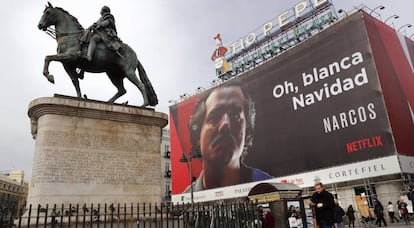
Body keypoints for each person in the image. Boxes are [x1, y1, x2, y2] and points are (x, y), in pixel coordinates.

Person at [183, 82, 272, 192]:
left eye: (235, 116)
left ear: (247, 132)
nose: (225, 125)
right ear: (198, 134)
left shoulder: (268, 186)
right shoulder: (187, 197)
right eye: (215, 116)